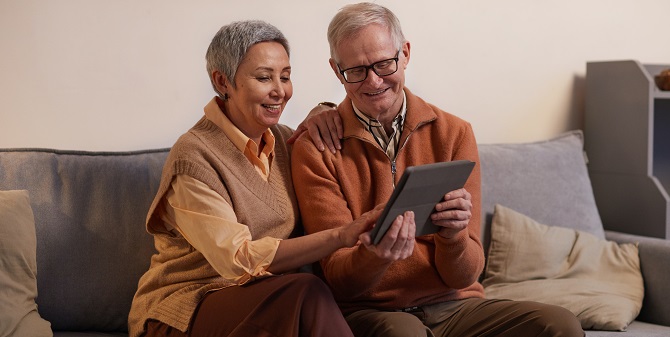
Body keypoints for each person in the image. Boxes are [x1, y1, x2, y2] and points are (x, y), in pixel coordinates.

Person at [290, 3, 585, 337]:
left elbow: (465, 275)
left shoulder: (454, 133)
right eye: (356, 71)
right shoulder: (316, 148)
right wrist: (375, 256)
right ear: (336, 69)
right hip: (370, 312)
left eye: (385, 63)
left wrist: (453, 236)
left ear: (405, 53)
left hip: (454, 306)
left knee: (560, 325)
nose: (373, 81)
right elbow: (340, 281)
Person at [127, 20, 413, 337]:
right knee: (307, 291)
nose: (280, 90)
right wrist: (342, 235)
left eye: (286, 77)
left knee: (306, 294)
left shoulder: (287, 143)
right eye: (264, 78)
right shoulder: (193, 157)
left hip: (275, 305)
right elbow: (238, 260)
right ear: (223, 81)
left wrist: (328, 110)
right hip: (184, 311)